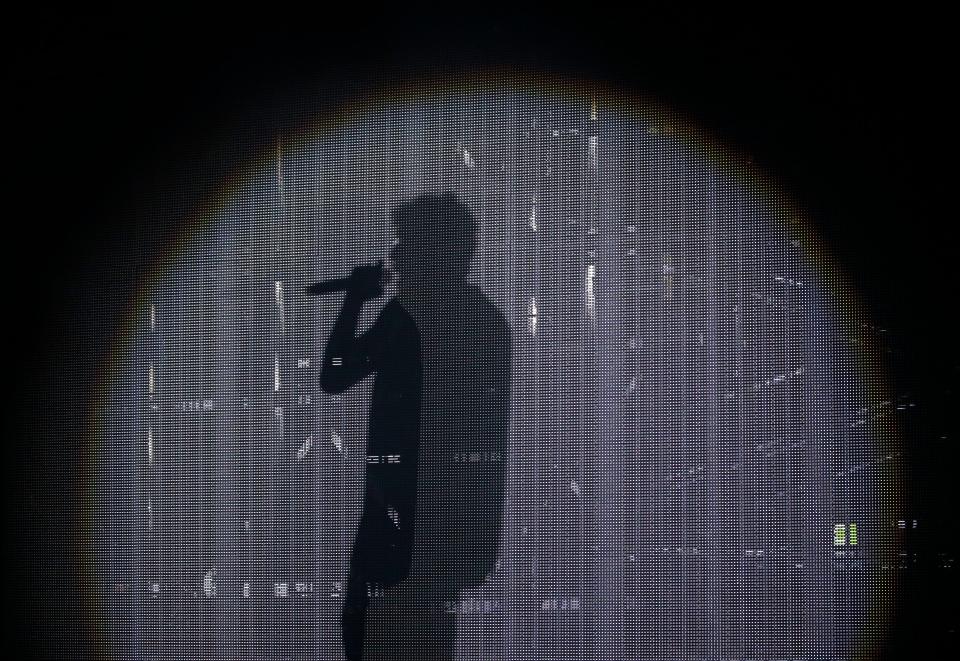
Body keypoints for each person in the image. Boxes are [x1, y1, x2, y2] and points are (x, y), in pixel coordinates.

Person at [321, 193, 511, 660]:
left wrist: (353, 302)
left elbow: (335, 373)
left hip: (412, 521)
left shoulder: (418, 320)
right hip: (426, 523)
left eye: (405, 244)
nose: (396, 258)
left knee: (383, 635)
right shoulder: (473, 321)